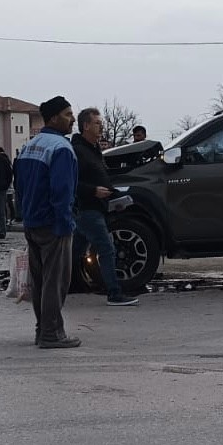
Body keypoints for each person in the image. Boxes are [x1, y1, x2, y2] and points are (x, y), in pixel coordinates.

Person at [17, 96, 81, 348]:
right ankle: (51, 333)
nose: (72, 119)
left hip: (32, 222)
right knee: (56, 281)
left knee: (40, 280)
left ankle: (41, 328)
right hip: (53, 224)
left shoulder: (30, 146)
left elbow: (20, 186)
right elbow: (62, 191)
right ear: (54, 118)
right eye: (67, 114)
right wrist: (65, 223)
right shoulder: (61, 148)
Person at [72, 107, 139, 306]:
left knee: (73, 253)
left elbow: (102, 178)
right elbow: (71, 183)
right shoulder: (77, 151)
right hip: (87, 209)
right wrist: (93, 191)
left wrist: (116, 196)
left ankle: (51, 284)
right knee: (107, 249)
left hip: (96, 207)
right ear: (85, 126)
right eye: (97, 123)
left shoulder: (94, 149)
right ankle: (114, 293)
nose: (101, 126)